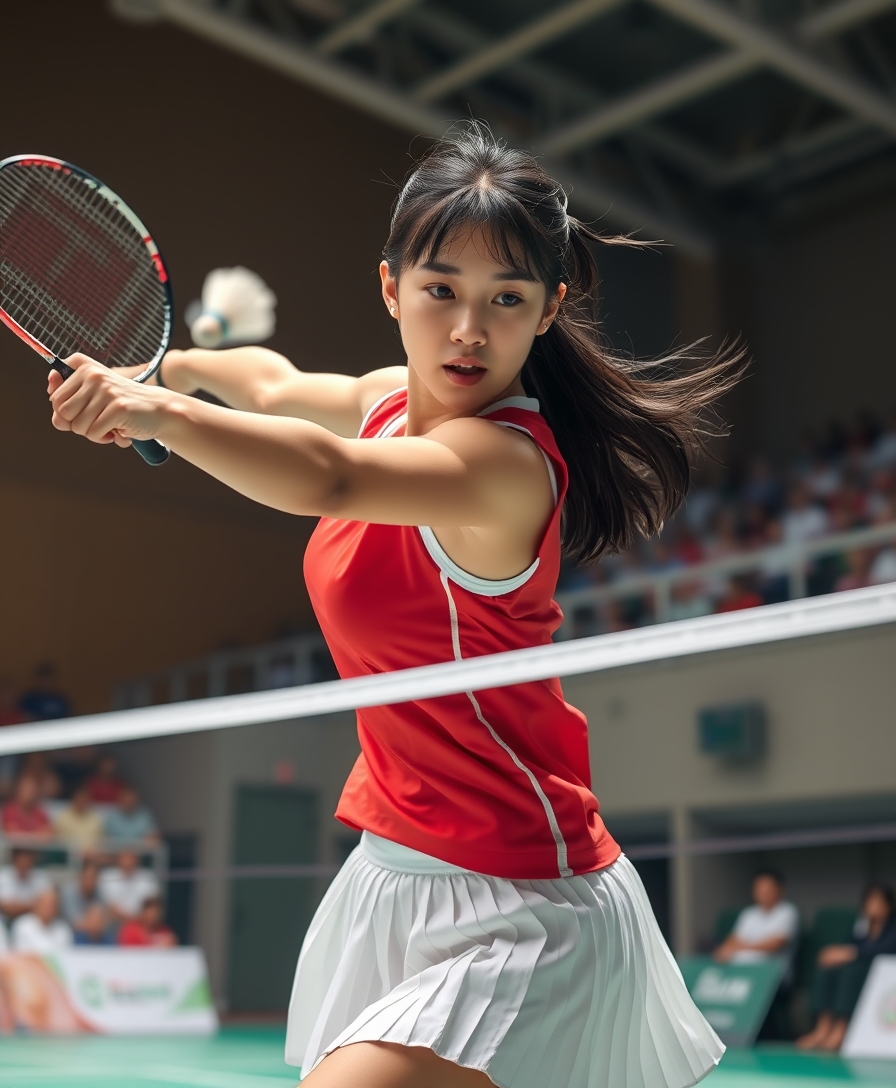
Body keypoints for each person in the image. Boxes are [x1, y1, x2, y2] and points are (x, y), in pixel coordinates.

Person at [46, 125, 743, 1088]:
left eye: (507, 300)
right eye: (441, 290)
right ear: (391, 289)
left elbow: (330, 476)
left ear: (549, 311)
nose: (468, 330)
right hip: (396, 870)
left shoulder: (503, 466)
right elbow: (278, 384)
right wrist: (174, 371)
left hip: (521, 898)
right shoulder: (384, 399)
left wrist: (159, 412)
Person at [797, 884, 896, 1052]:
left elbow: (885, 949)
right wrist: (835, 954)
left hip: (880, 973)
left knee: (851, 972)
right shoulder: (862, 925)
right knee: (829, 969)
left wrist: (852, 953)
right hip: (857, 967)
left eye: (879, 901)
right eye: (871, 901)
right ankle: (823, 1028)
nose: (875, 906)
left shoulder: (892, 926)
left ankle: (841, 1030)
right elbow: (847, 945)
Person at [714, 870, 800, 968]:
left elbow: (776, 944)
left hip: (772, 971)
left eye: (768, 889)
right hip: (742, 968)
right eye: (759, 889)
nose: (763, 893)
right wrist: (727, 948)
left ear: (780, 889)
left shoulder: (787, 911)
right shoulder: (748, 913)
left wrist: (742, 947)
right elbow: (733, 939)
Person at [98, 849, 159, 924]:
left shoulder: (148, 877)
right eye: (125, 859)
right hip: (113, 923)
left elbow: (151, 905)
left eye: (131, 859)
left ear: (137, 860)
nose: (128, 863)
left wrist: (133, 921)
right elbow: (110, 907)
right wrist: (130, 920)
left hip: (141, 924)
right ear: (118, 860)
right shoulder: (107, 876)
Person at [10, 887, 73, 954]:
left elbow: (67, 954)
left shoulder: (63, 928)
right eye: (46, 905)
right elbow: (21, 954)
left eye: (53, 905)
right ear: (36, 905)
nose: (49, 909)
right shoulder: (22, 925)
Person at [60, 859, 108, 938]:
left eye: (93, 878)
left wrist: (96, 924)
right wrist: (95, 924)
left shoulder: (100, 893)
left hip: (95, 937)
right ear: (80, 877)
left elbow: (106, 921)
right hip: (70, 936)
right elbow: (76, 923)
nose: (90, 881)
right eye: (88, 877)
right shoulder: (69, 893)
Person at [0, 849, 52, 921]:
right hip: (5, 921)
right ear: (15, 860)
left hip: (33, 921)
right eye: (21, 861)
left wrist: (18, 906)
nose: (24, 864)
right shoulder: (3, 875)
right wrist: (34, 905)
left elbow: (47, 905)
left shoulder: (41, 877)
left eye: (27, 861)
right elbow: (7, 908)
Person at [54, 783, 104, 856]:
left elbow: (101, 843)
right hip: (67, 858)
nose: (82, 801)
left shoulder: (96, 819)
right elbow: (58, 842)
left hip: (92, 858)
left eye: (84, 798)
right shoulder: (64, 817)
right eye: (79, 798)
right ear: (74, 799)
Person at [0, 776, 52, 841]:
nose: (29, 793)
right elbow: (12, 833)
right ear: (19, 790)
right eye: (26, 790)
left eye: (32, 790)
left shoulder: (40, 812)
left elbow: (46, 833)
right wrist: (35, 835)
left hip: (36, 849)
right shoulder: (10, 810)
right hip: (14, 849)